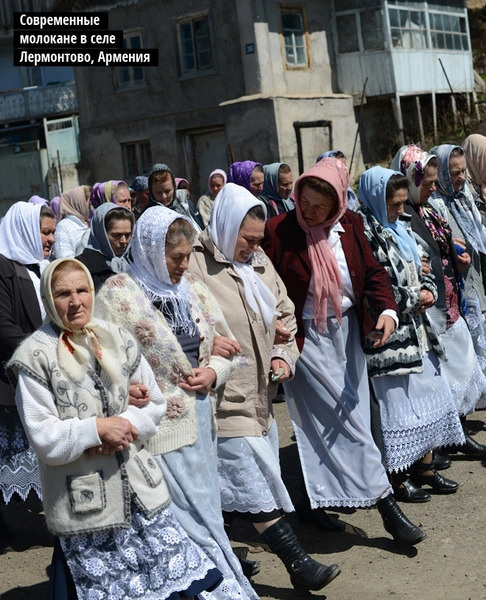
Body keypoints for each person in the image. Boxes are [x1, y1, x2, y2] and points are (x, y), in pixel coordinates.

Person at [8, 257, 223, 600]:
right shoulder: (35, 356)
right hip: (87, 509)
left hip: (141, 496)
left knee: (171, 586)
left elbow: (155, 404)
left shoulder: (116, 339)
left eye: (82, 290)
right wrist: (96, 430)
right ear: (48, 300)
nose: (75, 301)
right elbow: (44, 437)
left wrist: (123, 425)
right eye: (63, 293)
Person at [95, 207, 258, 600]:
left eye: (188, 257)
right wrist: (122, 389)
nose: (184, 266)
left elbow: (228, 346)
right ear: (151, 250)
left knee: (206, 513)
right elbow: (99, 361)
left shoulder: (193, 290)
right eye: (176, 258)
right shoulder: (118, 294)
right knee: (178, 517)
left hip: (200, 424)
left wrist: (214, 371)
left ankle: (218, 584)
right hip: (155, 430)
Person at [263, 157, 426, 546]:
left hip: (348, 333)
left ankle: (311, 501)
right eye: (303, 203)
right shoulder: (279, 230)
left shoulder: (350, 225)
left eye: (319, 207)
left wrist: (387, 311)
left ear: (337, 203)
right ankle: (387, 505)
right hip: (308, 338)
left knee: (343, 418)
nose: (308, 212)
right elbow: (261, 281)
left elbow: (372, 274)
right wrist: (273, 324)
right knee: (345, 424)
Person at [189, 182, 340, 593]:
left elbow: (286, 317)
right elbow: (187, 326)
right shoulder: (196, 266)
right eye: (246, 239)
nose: (253, 247)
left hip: (259, 398)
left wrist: (282, 357)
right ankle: (298, 564)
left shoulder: (258, 264)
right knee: (250, 479)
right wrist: (209, 343)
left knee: (229, 487)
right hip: (220, 398)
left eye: (258, 240)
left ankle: (216, 558)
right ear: (224, 226)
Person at [357, 166, 465, 498]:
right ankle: (398, 477)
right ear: (377, 199)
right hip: (390, 337)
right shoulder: (366, 232)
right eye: (395, 204)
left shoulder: (400, 226)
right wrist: (414, 297)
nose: (401, 210)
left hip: (418, 328)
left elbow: (425, 264)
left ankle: (425, 466)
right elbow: (375, 286)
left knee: (428, 397)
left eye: (404, 202)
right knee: (398, 407)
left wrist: (428, 289)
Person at [391, 145, 486, 463]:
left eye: (434, 181)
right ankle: (439, 445)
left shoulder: (427, 209)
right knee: (438, 379)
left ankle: (454, 433)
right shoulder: (399, 216)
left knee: (461, 364)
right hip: (424, 310)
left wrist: (454, 253)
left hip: (447, 301)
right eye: (428, 182)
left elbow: (442, 246)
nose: (434, 187)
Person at [0, 202, 56, 535]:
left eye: (52, 232)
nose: (50, 239)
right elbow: (3, 325)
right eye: (44, 232)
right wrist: (39, 354)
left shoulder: (39, 266)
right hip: (12, 376)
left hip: (39, 372)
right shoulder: (4, 267)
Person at [76, 203, 134, 292]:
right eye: (116, 235)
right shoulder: (83, 267)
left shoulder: (134, 263)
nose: (123, 241)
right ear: (102, 234)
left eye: (127, 235)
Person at [146, 164, 204, 231]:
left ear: (174, 187)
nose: (164, 196)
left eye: (167, 191)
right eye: (158, 192)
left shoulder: (187, 206)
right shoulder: (147, 217)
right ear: (151, 191)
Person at [52, 187, 90, 259]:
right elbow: (64, 260)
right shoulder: (63, 227)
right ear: (79, 203)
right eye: (88, 204)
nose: (90, 208)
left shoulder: (84, 223)